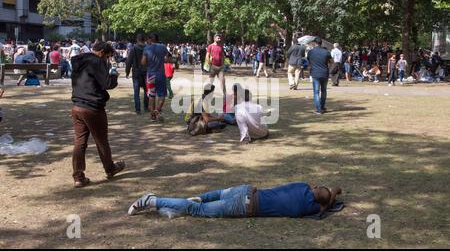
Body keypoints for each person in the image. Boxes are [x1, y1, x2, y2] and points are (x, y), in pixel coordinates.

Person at [70, 41, 126, 188]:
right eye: (107, 57)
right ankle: (110, 168)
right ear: (101, 52)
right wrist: (113, 74)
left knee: (79, 142)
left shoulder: (78, 60)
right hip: (92, 106)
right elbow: (107, 83)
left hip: (77, 105)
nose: (106, 60)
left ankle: (78, 176)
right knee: (101, 140)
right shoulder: (97, 62)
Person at [128, 182, 343, 219]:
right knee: (197, 210)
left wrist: (333, 191)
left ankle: (170, 203)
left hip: (248, 190)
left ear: (313, 188)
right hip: (245, 206)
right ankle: (153, 200)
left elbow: (329, 193)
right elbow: (325, 204)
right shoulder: (307, 209)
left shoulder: (302, 186)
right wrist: (329, 199)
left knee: (214, 195)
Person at [142, 33, 169, 122]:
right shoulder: (163, 47)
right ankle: (157, 110)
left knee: (151, 96)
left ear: (150, 39)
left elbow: (143, 62)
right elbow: (168, 57)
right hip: (161, 74)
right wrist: (162, 60)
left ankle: (153, 116)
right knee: (162, 95)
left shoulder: (146, 48)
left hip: (150, 75)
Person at [307, 37, 333, 115]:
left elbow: (309, 62)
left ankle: (318, 109)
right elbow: (332, 62)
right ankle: (322, 107)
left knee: (316, 92)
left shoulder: (311, 52)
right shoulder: (326, 52)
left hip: (315, 73)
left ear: (314, 43)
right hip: (324, 73)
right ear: (321, 43)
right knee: (323, 91)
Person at [126, 34, 149, 114]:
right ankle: (146, 107)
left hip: (136, 73)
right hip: (146, 72)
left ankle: (138, 109)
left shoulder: (133, 49)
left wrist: (127, 72)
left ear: (137, 39)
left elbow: (129, 62)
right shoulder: (147, 48)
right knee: (147, 91)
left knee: (136, 92)